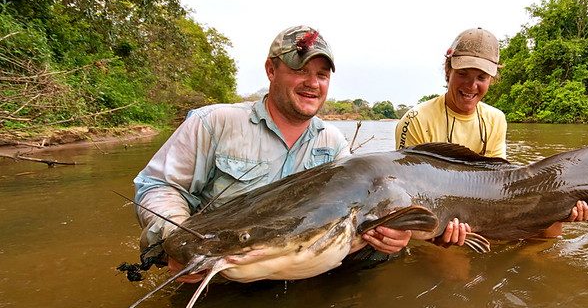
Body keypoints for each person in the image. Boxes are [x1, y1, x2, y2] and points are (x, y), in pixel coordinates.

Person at [134, 25, 411, 282]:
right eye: (300, 70)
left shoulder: (333, 142)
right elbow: (158, 185)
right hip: (214, 271)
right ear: (270, 70)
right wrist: (179, 240)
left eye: (322, 75)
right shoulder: (214, 123)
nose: (312, 84)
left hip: (291, 273)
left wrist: (389, 237)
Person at [395, 27, 588, 247]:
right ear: (448, 70)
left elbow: (499, 179)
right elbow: (405, 196)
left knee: (552, 227)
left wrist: (563, 208)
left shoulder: (495, 118)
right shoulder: (415, 119)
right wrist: (439, 236)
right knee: (457, 275)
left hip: (482, 206)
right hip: (437, 219)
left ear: (492, 79)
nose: (471, 86)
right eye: (463, 74)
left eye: (481, 77)